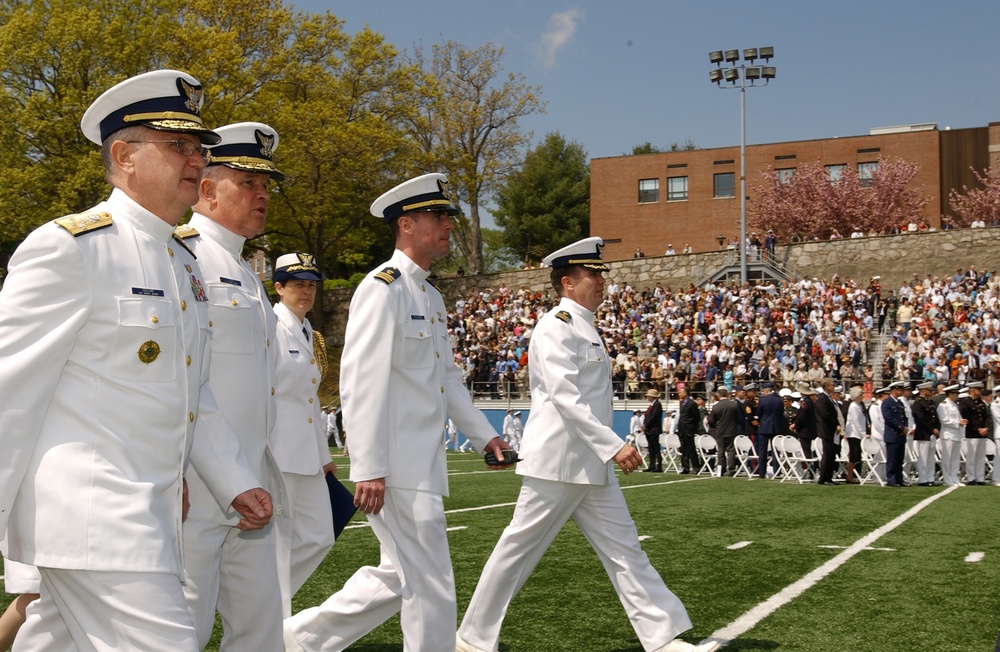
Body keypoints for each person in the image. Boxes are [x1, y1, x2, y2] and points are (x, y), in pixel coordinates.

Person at [0, 69, 271, 652]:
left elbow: (192, 393)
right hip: (97, 519)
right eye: (177, 146)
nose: (195, 160)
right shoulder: (71, 247)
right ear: (124, 156)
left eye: (198, 148)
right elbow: (9, 393)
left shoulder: (182, 261)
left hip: (142, 518)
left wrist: (234, 480)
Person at [283, 173, 512, 652]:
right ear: (407, 224)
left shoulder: (428, 296)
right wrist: (367, 466)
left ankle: (301, 639)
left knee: (400, 575)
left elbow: (446, 378)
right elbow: (361, 381)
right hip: (394, 466)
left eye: (448, 215)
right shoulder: (381, 287)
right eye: (438, 216)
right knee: (431, 584)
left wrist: (484, 436)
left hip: (420, 463)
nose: (448, 224)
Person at [456, 237, 717, 652]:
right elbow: (564, 396)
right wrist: (613, 445)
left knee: (626, 550)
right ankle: (471, 638)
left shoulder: (584, 326)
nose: (600, 281)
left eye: (599, 274)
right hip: (558, 463)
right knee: (517, 552)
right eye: (592, 274)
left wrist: (604, 451)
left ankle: (663, 638)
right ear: (567, 282)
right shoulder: (555, 326)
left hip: (588, 466)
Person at [179, 122, 288, 649]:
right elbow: (183, 381)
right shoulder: (185, 256)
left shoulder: (245, 270)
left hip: (249, 485)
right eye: (247, 182)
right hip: (198, 488)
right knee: (184, 630)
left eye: (266, 185)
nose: (262, 194)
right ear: (206, 189)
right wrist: (228, 480)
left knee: (262, 632)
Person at [270, 253, 340, 618]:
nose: (306, 291)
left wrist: (324, 456)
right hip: (277, 453)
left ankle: (261, 601)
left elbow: (310, 401)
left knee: (319, 536)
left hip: (308, 458)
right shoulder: (268, 326)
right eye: (298, 284)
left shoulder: (307, 332)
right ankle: (273, 626)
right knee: (279, 548)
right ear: (278, 287)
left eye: (312, 285)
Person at [958, 381, 991, 484]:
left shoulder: (981, 402)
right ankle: (971, 478)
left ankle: (980, 478)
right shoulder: (966, 402)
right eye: (979, 389)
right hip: (972, 433)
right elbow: (968, 418)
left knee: (981, 457)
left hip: (982, 433)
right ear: (973, 390)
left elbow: (986, 417)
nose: (980, 391)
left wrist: (986, 428)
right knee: (972, 457)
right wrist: (978, 429)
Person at [910, 381, 941, 486]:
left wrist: (937, 428)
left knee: (931, 457)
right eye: (930, 390)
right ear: (923, 391)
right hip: (923, 433)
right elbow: (921, 419)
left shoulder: (930, 403)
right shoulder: (918, 403)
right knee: (923, 457)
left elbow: (935, 417)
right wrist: (932, 429)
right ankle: (923, 479)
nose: (932, 392)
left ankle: (930, 478)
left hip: (931, 434)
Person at [937, 385, 966, 486]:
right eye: (956, 393)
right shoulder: (943, 405)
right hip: (948, 434)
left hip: (956, 434)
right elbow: (944, 420)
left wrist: (962, 421)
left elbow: (958, 417)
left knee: (955, 458)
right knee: (947, 458)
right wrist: (958, 422)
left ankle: (954, 478)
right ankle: (947, 479)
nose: (957, 395)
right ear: (951, 394)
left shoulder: (954, 405)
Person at [882, 382, 910, 487]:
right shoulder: (887, 403)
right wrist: (901, 428)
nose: (902, 391)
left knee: (899, 459)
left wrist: (905, 427)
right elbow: (889, 418)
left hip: (901, 435)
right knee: (892, 459)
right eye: (900, 389)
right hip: (893, 434)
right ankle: (891, 480)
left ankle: (899, 479)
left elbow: (904, 417)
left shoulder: (899, 403)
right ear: (894, 390)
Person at [707, 387, 740, 478]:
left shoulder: (716, 406)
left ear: (719, 395)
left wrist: (716, 425)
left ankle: (721, 469)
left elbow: (711, 420)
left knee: (721, 451)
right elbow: (738, 418)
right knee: (731, 450)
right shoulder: (733, 405)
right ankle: (731, 469)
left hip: (720, 430)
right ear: (726, 395)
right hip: (731, 430)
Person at [814, 379, 842, 484]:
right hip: (826, 430)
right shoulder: (822, 399)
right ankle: (823, 478)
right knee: (827, 454)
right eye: (831, 385)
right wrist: (835, 426)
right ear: (826, 386)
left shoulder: (828, 398)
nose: (833, 386)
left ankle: (828, 477)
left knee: (831, 454)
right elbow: (825, 415)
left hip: (831, 430)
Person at [755, 382, 784, 479]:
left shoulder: (763, 401)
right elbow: (781, 413)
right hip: (776, 427)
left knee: (762, 451)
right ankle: (777, 471)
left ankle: (762, 472)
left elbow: (759, 413)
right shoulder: (779, 400)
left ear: (766, 390)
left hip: (764, 427)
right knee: (775, 451)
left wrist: (761, 421)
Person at [675, 386, 701, 474]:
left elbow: (696, 417)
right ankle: (685, 467)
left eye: (680, 392)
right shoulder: (681, 403)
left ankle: (696, 467)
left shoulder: (692, 403)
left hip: (689, 429)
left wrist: (692, 426)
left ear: (685, 393)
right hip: (682, 429)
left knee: (691, 448)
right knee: (683, 449)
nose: (679, 394)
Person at [843, 387, 867, 484]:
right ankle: (849, 476)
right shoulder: (853, 406)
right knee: (853, 456)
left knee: (856, 456)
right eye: (861, 394)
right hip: (853, 434)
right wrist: (863, 434)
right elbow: (856, 422)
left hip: (857, 434)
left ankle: (851, 475)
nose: (863, 396)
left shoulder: (859, 406)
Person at [642, 388, 665, 472]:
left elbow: (653, 417)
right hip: (649, 430)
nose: (647, 397)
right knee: (651, 448)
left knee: (656, 448)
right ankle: (652, 465)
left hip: (654, 430)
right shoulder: (652, 405)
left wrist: (646, 424)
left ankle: (659, 465)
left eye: (648, 396)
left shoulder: (657, 405)